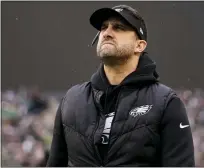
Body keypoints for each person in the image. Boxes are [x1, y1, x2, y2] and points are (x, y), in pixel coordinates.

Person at [47, 4, 195, 167]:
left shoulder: (166, 103)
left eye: (119, 27)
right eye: (104, 27)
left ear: (139, 45)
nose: (107, 33)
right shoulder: (71, 100)